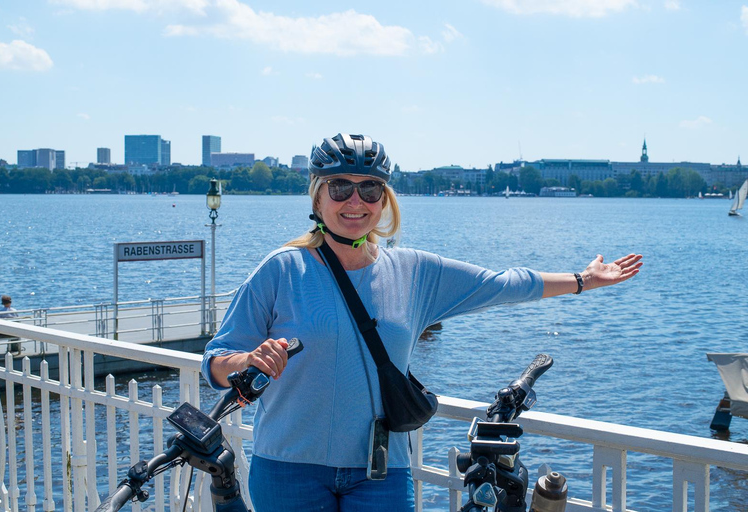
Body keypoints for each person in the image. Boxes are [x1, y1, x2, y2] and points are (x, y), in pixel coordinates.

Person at [202, 133, 642, 511]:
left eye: (370, 190)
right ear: (316, 196)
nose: (355, 201)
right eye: (339, 188)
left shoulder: (413, 273)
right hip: (288, 469)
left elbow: (502, 284)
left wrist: (582, 280)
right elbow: (215, 364)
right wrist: (248, 359)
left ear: (384, 200)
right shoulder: (281, 270)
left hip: (380, 472)